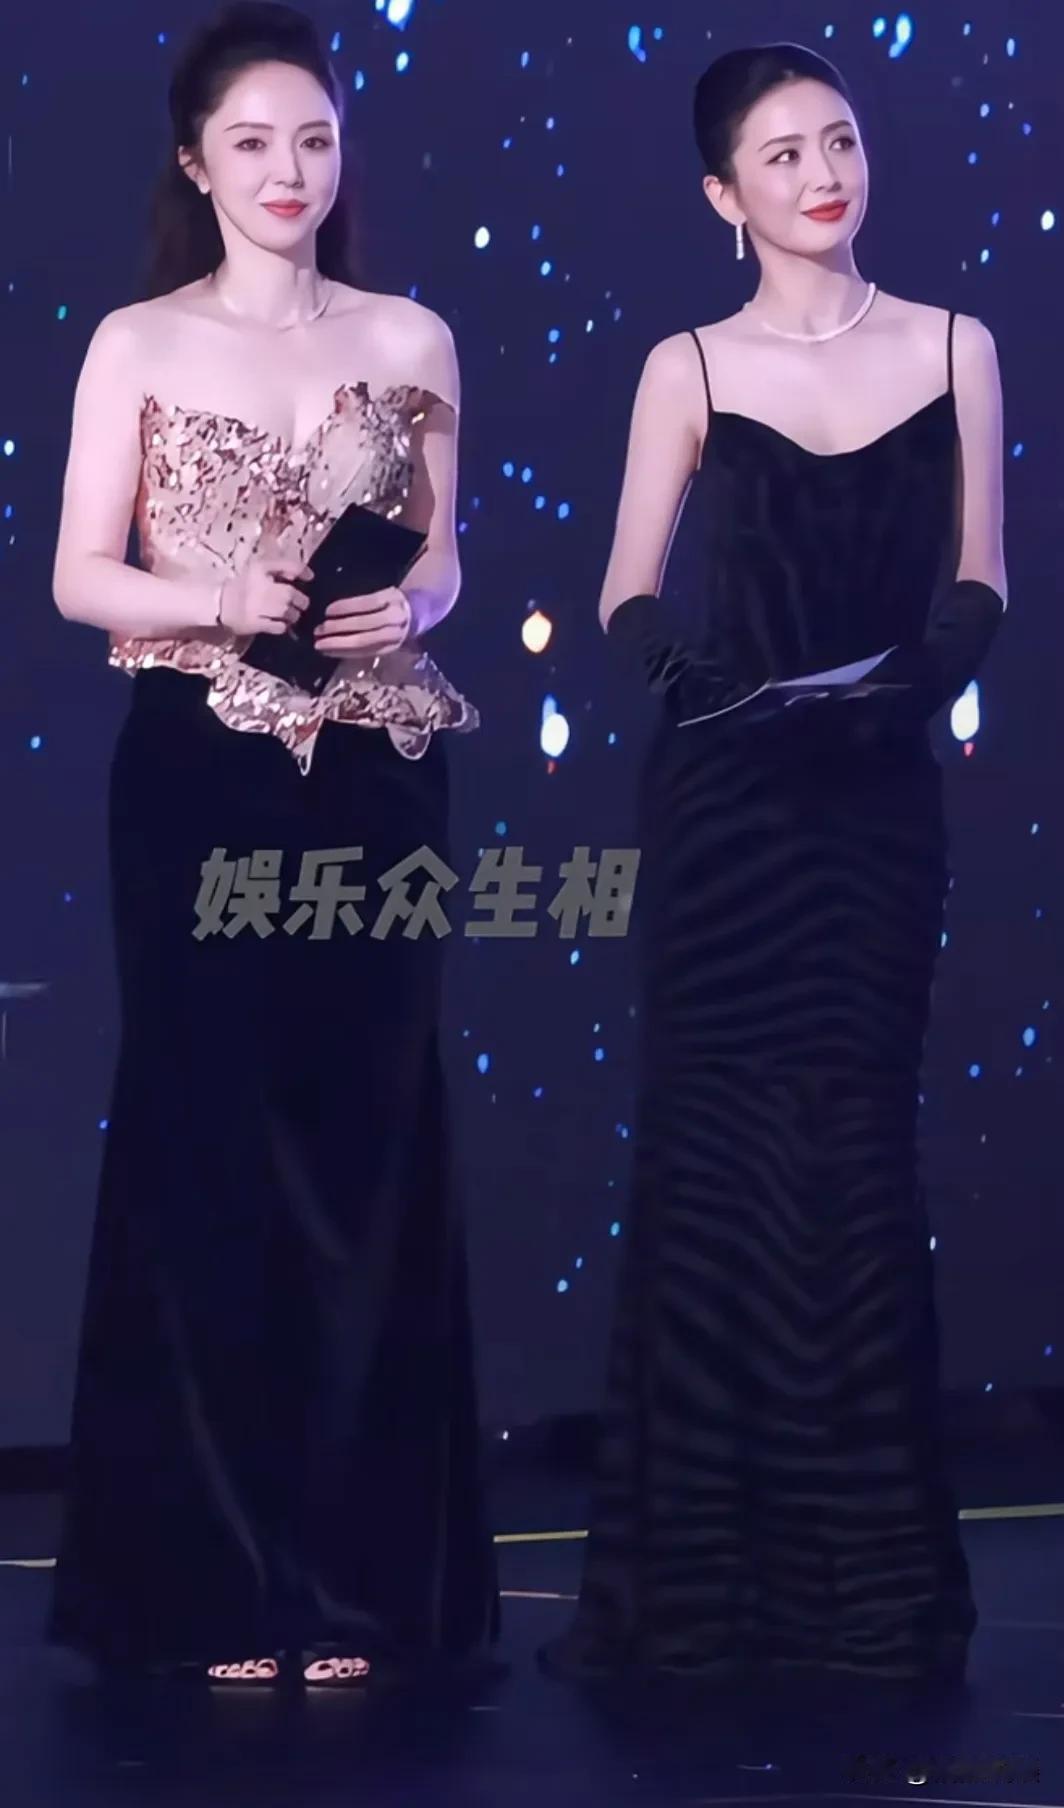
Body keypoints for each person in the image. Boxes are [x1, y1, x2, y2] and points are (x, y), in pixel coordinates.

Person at [541, 43, 1006, 1686]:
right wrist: (697, 680)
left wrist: (917, 680)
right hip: (727, 809)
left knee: (854, 1169)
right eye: (783, 154)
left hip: (875, 800)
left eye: (840, 140)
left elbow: (982, 577)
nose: (823, 172)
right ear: (722, 196)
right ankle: (699, 1587)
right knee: (717, 1168)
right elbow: (626, 588)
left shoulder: (954, 343)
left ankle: (864, 1586)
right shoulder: (688, 365)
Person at [49, 0, 498, 1689]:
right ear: (195, 162)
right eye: (251, 140)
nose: (287, 168)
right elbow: (79, 574)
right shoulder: (138, 342)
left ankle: (365, 1588)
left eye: (313, 137)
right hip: (202, 774)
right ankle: (222, 1588)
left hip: (381, 772)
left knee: (372, 1153)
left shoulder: (412, 335)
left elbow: (443, 560)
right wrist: (213, 596)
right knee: (212, 1149)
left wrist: (420, 602)